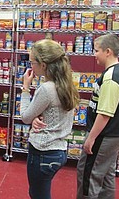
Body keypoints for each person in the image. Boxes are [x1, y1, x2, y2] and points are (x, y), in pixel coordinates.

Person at [20, 39, 79, 199]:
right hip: (60, 151)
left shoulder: (46, 89)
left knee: (37, 194)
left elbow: (25, 117)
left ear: (43, 65)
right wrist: (36, 118)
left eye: (32, 62)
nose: (30, 66)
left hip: (42, 152)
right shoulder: (66, 83)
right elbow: (55, 114)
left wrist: (25, 88)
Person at [77, 34, 119, 199]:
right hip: (113, 134)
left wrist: (91, 138)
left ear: (108, 51)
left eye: (96, 50)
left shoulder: (112, 78)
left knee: (89, 174)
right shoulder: (115, 72)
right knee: (106, 175)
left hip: (104, 136)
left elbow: (105, 113)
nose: (94, 54)